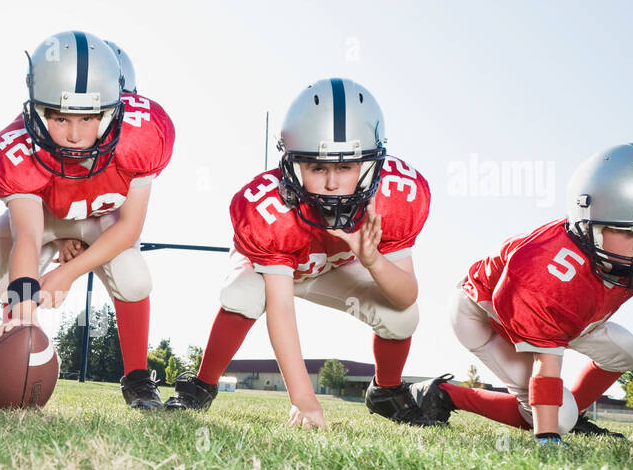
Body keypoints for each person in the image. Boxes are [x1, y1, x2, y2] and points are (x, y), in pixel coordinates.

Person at [0, 30, 175, 408]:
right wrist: (24, 315)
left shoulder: (143, 135)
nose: (74, 135)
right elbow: (29, 237)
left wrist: (67, 271)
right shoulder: (12, 149)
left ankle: (137, 380)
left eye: (89, 118)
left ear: (116, 109)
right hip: (45, 217)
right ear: (37, 108)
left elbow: (129, 228)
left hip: (101, 220)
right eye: (58, 117)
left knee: (134, 276)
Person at [167, 78, 437, 426]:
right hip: (271, 268)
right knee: (241, 296)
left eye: (345, 167)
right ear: (293, 165)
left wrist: (374, 261)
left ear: (370, 165)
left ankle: (386, 391)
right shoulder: (271, 209)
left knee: (403, 318)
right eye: (317, 167)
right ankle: (202, 385)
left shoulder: (394, 198)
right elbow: (281, 307)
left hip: (331, 267)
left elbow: (405, 296)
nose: (331, 183)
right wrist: (303, 398)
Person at [412, 143, 633, 442]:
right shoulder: (546, 275)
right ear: (590, 224)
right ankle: (444, 395)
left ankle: (575, 414)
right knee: (556, 418)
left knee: (628, 351)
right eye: (632, 231)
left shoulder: (632, 252)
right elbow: (546, 366)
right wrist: (548, 435)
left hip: (569, 313)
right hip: (483, 315)